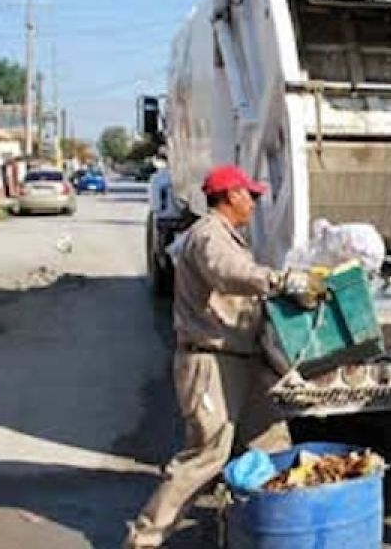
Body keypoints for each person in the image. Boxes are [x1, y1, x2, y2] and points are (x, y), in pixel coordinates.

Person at [123, 164, 307, 549]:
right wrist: (280, 280)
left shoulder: (228, 236)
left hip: (241, 363)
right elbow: (226, 273)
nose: (254, 203)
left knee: (273, 445)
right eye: (250, 195)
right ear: (231, 196)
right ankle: (144, 539)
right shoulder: (209, 235)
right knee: (205, 457)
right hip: (210, 363)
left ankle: (270, 531)